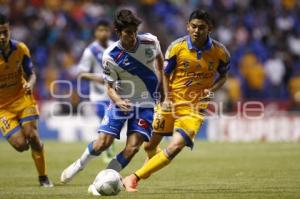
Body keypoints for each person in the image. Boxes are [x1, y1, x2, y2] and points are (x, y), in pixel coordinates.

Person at [123, 9, 230, 192]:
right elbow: (165, 73)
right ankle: (151, 163)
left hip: (194, 109)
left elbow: (223, 76)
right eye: (193, 26)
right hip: (171, 102)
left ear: (209, 29)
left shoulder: (220, 52)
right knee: (149, 145)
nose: (196, 31)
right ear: (188, 26)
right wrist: (167, 98)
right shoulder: (176, 47)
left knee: (175, 146)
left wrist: (211, 91)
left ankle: (134, 177)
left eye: (201, 27)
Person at [60, 9, 164, 185]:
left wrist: (160, 87)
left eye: (134, 32)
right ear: (118, 32)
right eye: (128, 33)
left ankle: (100, 183)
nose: (132, 37)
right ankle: (80, 164)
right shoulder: (111, 56)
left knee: (132, 148)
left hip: (146, 104)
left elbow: (160, 63)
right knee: (103, 144)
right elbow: (109, 88)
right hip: (121, 101)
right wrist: (118, 101)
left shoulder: (150, 41)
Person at [0, 14, 53, 187]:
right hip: (2, 108)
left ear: (9, 30)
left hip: (22, 99)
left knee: (32, 135)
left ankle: (43, 177)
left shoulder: (20, 49)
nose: (2, 37)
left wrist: (30, 84)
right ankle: (35, 148)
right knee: (21, 145)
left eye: (5, 32)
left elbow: (31, 74)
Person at [76, 19, 115, 163]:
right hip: (98, 95)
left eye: (106, 30)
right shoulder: (90, 51)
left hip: (115, 92)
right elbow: (81, 73)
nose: (104, 33)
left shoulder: (114, 47)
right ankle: (108, 149)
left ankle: (108, 144)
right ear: (95, 33)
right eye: (101, 30)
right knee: (104, 118)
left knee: (112, 121)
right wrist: (99, 77)